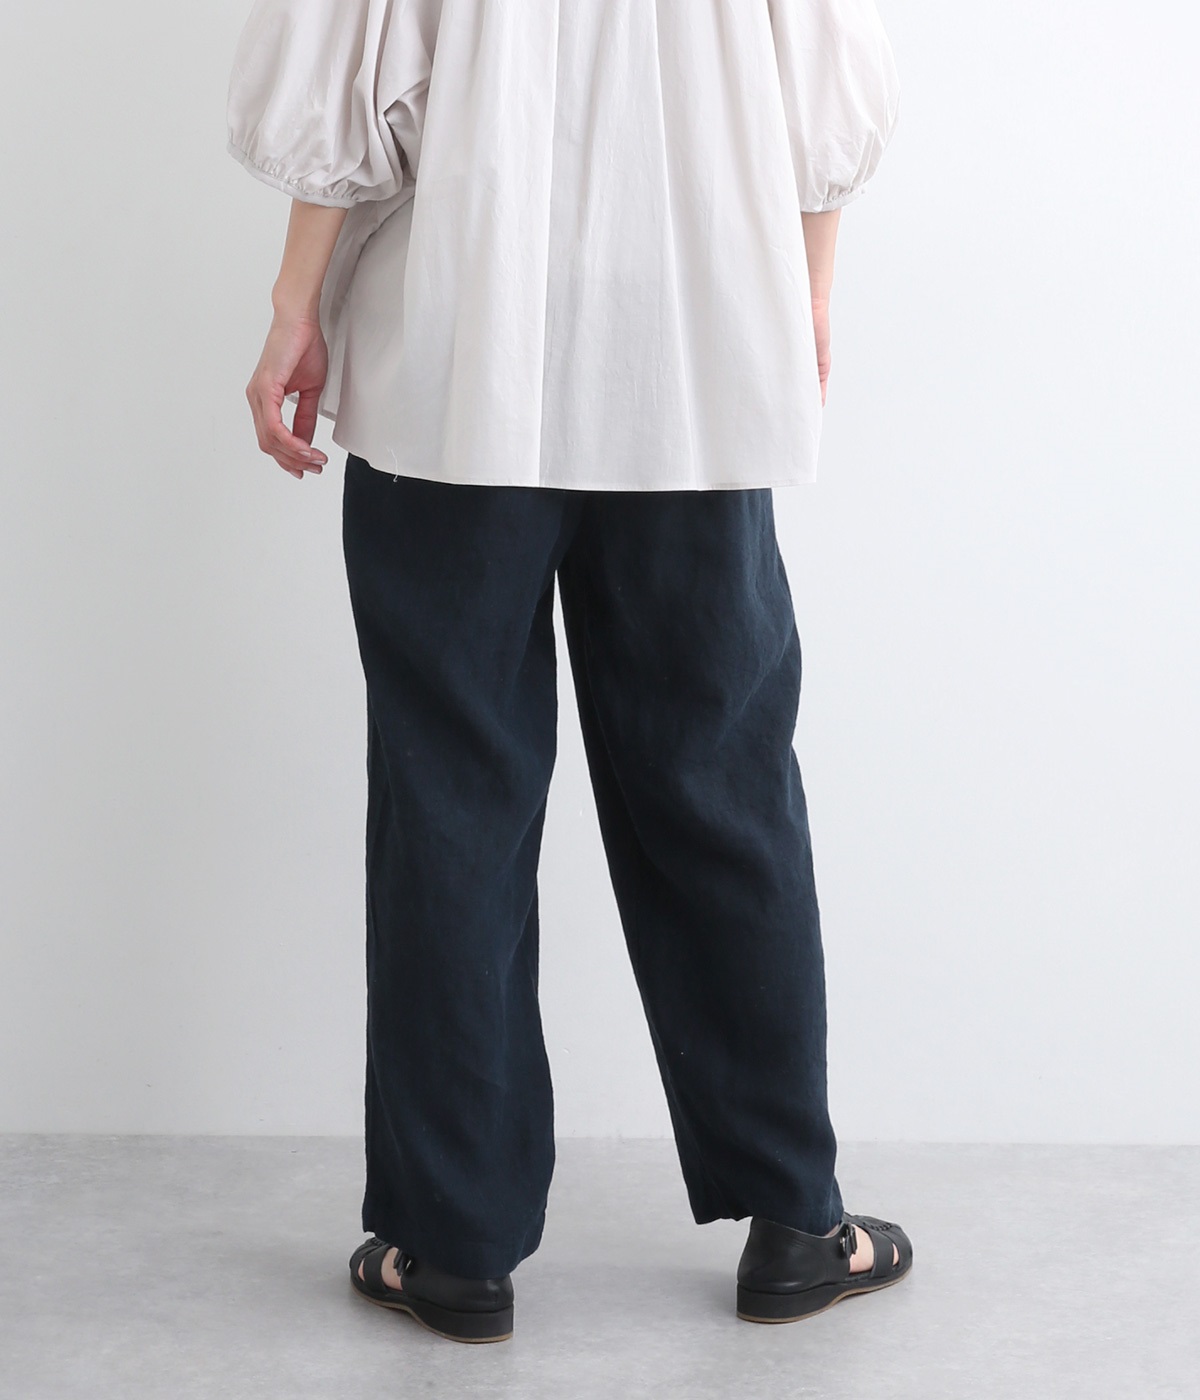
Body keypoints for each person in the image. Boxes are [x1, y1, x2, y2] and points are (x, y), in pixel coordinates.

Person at [226, 0, 910, 1345]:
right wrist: (809, 288)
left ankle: (450, 1243)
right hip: (692, 358)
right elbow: (824, 97)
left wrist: (294, 305)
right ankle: (794, 1218)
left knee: (450, 798)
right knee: (720, 787)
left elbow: (349, 81)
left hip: (454, 357)